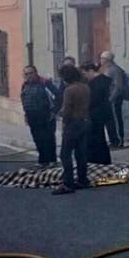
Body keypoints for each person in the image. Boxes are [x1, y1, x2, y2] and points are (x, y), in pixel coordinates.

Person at [53, 65, 90, 195]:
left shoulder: (69, 90)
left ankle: (68, 183)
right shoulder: (85, 88)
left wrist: (62, 119)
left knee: (65, 153)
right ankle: (83, 179)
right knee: (81, 153)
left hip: (73, 123)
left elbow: (67, 110)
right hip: (85, 121)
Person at [20, 66, 59, 166]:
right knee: (37, 138)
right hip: (32, 115)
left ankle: (52, 160)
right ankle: (43, 160)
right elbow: (24, 99)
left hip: (46, 114)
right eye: (26, 74)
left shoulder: (45, 83)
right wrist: (26, 114)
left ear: (36, 72)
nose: (29, 76)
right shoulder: (25, 85)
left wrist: (54, 112)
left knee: (48, 138)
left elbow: (58, 96)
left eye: (31, 73)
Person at [81, 63, 112, 165]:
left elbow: (94, 99)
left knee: (96, 139)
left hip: (96, 114)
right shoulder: (103, 80)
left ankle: (98, 160)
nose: (84, 76)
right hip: (100, 113)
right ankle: (101, 160)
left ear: (91, 70)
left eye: (85, 73)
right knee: (99, 138)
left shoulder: (96, 83)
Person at [99, 51, 127, 148]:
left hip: (114, 99)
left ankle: (119, 140)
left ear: (107, 60)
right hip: (108, 99)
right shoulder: (107, 69)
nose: (100, 60)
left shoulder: (115, 70)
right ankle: (113, 140)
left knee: (116, 119)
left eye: (102, 58)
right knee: (110, 120)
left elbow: (118, 86)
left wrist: (111, 99)